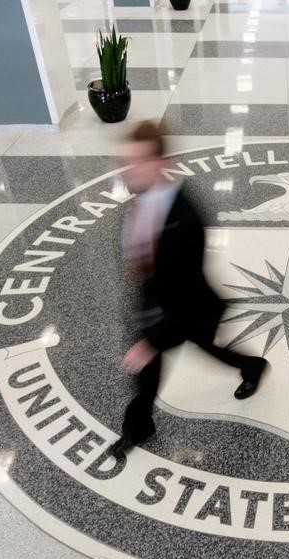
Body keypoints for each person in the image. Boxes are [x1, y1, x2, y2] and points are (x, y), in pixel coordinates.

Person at [110, 120, 267, 459]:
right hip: (156, 303)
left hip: (189, 309)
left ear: (159, 164)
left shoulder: (186, 220)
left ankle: (253, 366)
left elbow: (188, 293)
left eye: (137, 162)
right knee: (147, 376)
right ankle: (139, 427)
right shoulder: (141, 198)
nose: (128, 170)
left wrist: (150, 342)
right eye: (126, 161)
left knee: (207, 350)